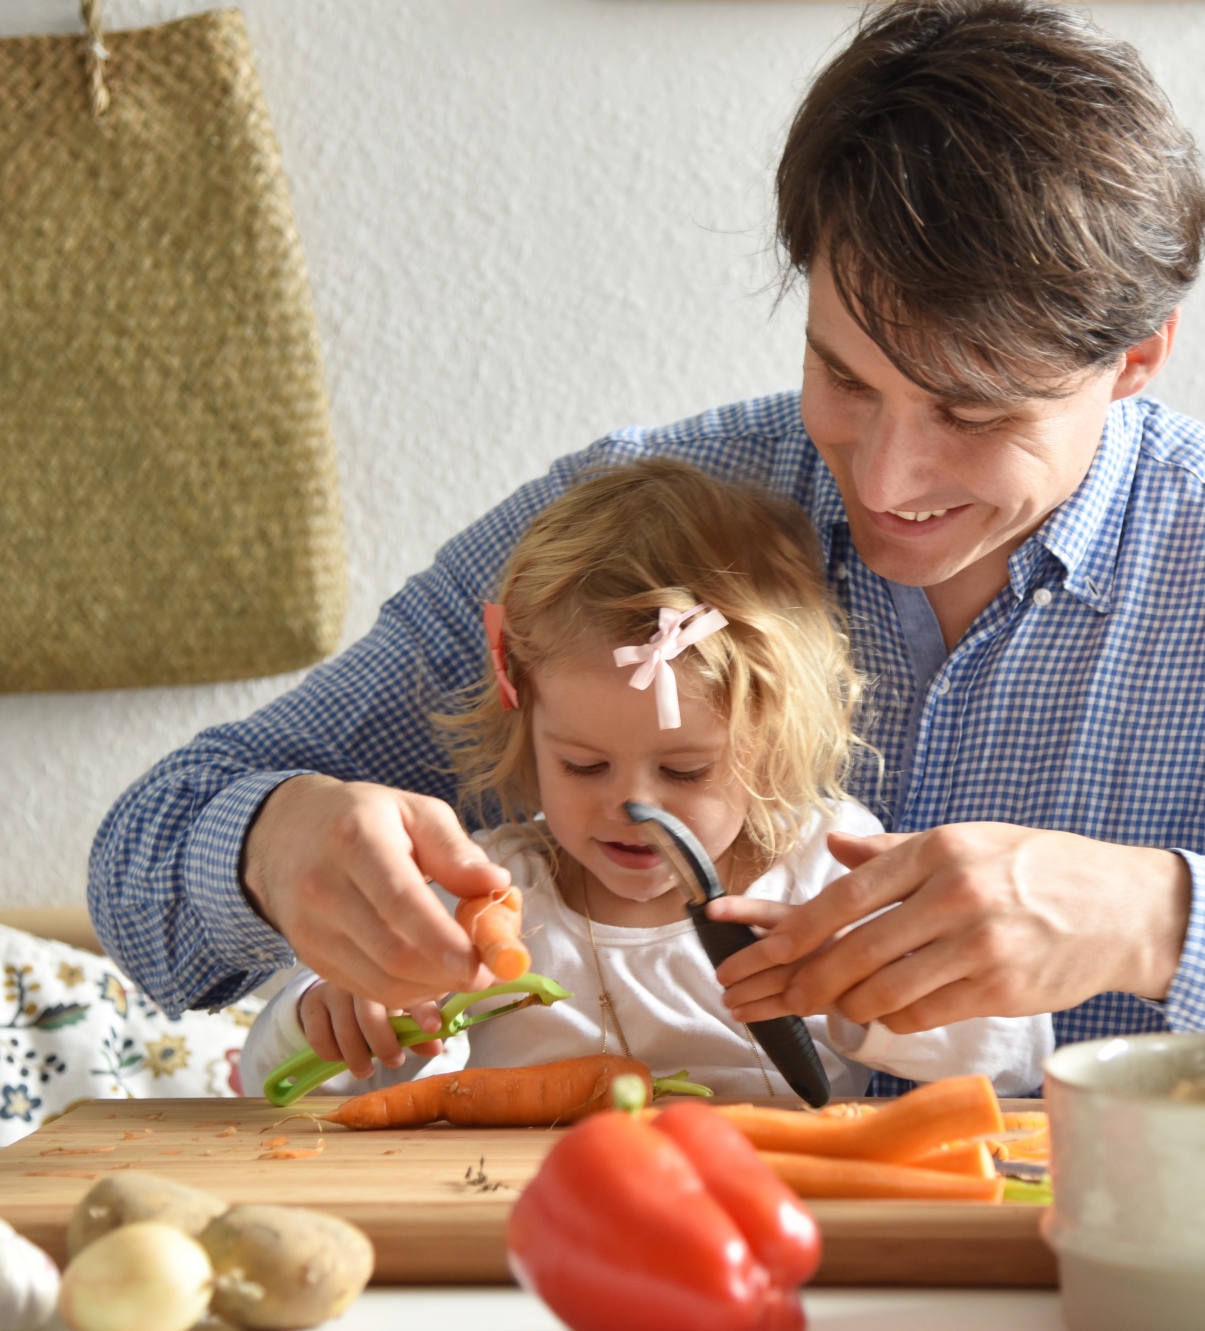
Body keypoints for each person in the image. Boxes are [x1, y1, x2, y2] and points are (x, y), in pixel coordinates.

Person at [90, 0, 1205, 1118]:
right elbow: (141, 855)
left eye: (977, 410)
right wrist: (269, 845)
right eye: (847, 373)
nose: (892, 477)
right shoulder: (631, 533)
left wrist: (1167, 923)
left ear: (1139, 359)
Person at [238, 459, 1051, 1100]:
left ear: (770, 742)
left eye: (686, 768)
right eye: (582, 764)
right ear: (528, 726)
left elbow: (1014, 1059)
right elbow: (258, 1077)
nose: (634, 803)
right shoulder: (490, 894)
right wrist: (328, 1014)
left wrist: (860, 985)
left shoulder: (823, 875)